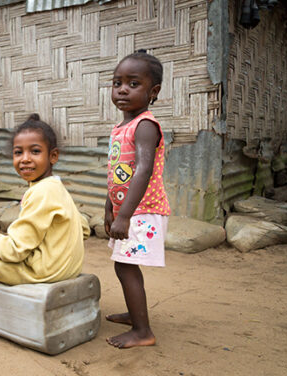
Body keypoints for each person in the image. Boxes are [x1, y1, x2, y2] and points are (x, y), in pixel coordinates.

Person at [0, 114, 90, 285]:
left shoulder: (42, 191)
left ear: (53, 156)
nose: (25, 159)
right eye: (18, 152)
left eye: (35, 151)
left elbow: (15, 250)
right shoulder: (57, 187)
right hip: (69, 269)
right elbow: (83, 228)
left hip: (44, 273)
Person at [103, 51, 171, 349]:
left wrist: (124, 216)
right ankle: (135, 315)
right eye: (117, 82)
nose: (122, 89)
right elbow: (117, 173)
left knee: (126, 266)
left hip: (143, 211)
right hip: (129, 211)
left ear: (152, 92)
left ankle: (143, 330)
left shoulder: (145, 125)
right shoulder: (120, 128)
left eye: (133, 83)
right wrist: (109, 209)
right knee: (124, 264)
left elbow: (143, 170)